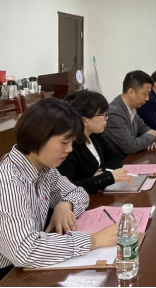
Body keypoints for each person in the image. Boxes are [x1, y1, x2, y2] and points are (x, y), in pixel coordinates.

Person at [0, 99, 117, 278]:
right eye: (64, 142)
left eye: (72, 142)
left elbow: (78, 193)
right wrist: (94, 240)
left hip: (29, 266)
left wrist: (65, 205)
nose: (70, 149)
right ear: (38, 136)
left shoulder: (45, 169)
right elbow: (24, 250)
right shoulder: (8, 181)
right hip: (8, 273)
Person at [58, 90, 134, 194]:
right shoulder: (69, 147)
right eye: (103, 114)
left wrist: (102, 172)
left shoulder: (95, 135)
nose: (106, 118)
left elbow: (115, 156)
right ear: (85, 120)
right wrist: (106, 178)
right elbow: (69, 187)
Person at [103, 71, 156, 156]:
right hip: (118, 161)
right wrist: (152, 137)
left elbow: (143, 127)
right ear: (131, 92)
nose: (147, 98)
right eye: (145, 94)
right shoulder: (114, 113)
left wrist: (150, 138)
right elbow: (130, 147)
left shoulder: (131, 108)